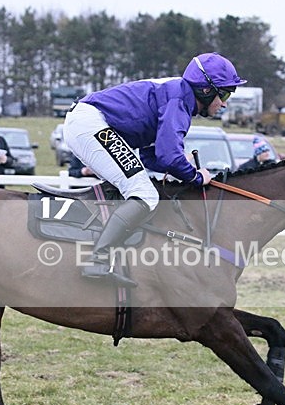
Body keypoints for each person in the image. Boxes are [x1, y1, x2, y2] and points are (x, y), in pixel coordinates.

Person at [63, 52, 246, 287]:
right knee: (145, 194)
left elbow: (151, 157)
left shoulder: (178, 95)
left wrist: (181, 167)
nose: (225, 103)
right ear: (206, 90)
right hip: (91, 123)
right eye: (225, 94)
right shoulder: (179, 101)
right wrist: (195, 176)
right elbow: (169, 156)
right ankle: (98, 260)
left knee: (136, 188)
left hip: (89, 122)